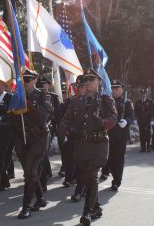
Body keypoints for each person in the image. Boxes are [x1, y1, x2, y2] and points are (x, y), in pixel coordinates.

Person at [60, 68, 117, 226]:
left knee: (92, 176)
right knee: (85, 177)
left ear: (99, 82)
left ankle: (87, 213)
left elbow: (113, 117)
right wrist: (64, 131)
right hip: (81, 145)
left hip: (98, 145)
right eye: (86, 79)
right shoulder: (77, 100)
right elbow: (66, 119)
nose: (89, 82)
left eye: (92, 79)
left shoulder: (105, 100)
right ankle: (96, 207)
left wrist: (103, 123)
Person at [12, 69, 54, 219]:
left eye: (28, 79)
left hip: (39, 138)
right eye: (23, 79)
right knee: (30, 172)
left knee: (30, 173)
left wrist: (27, 104)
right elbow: (11, 116)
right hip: (22, 138)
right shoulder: (17, 96)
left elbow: (43, 116)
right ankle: (41, 198)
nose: (25, 82)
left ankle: (26, 206)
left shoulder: (43, 95)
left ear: (35, 80)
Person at [100, 80, 134, 192]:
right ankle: (107, 172)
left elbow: (131, 116)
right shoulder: (107, 102)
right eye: (113, 88)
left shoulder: (127, 102)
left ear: (122, 90)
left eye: (117, 89)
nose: (114, 91)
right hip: (108, 134)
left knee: (118, 158)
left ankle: (116, 181)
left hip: (120, 135)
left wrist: (126, 121)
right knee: (108, 157)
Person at [0, 79, 14, 195]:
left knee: (1, 157)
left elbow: (12, 113)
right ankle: (4, 180)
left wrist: (0, 119)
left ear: (4, 85)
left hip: (6, 131)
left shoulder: (9, 97)